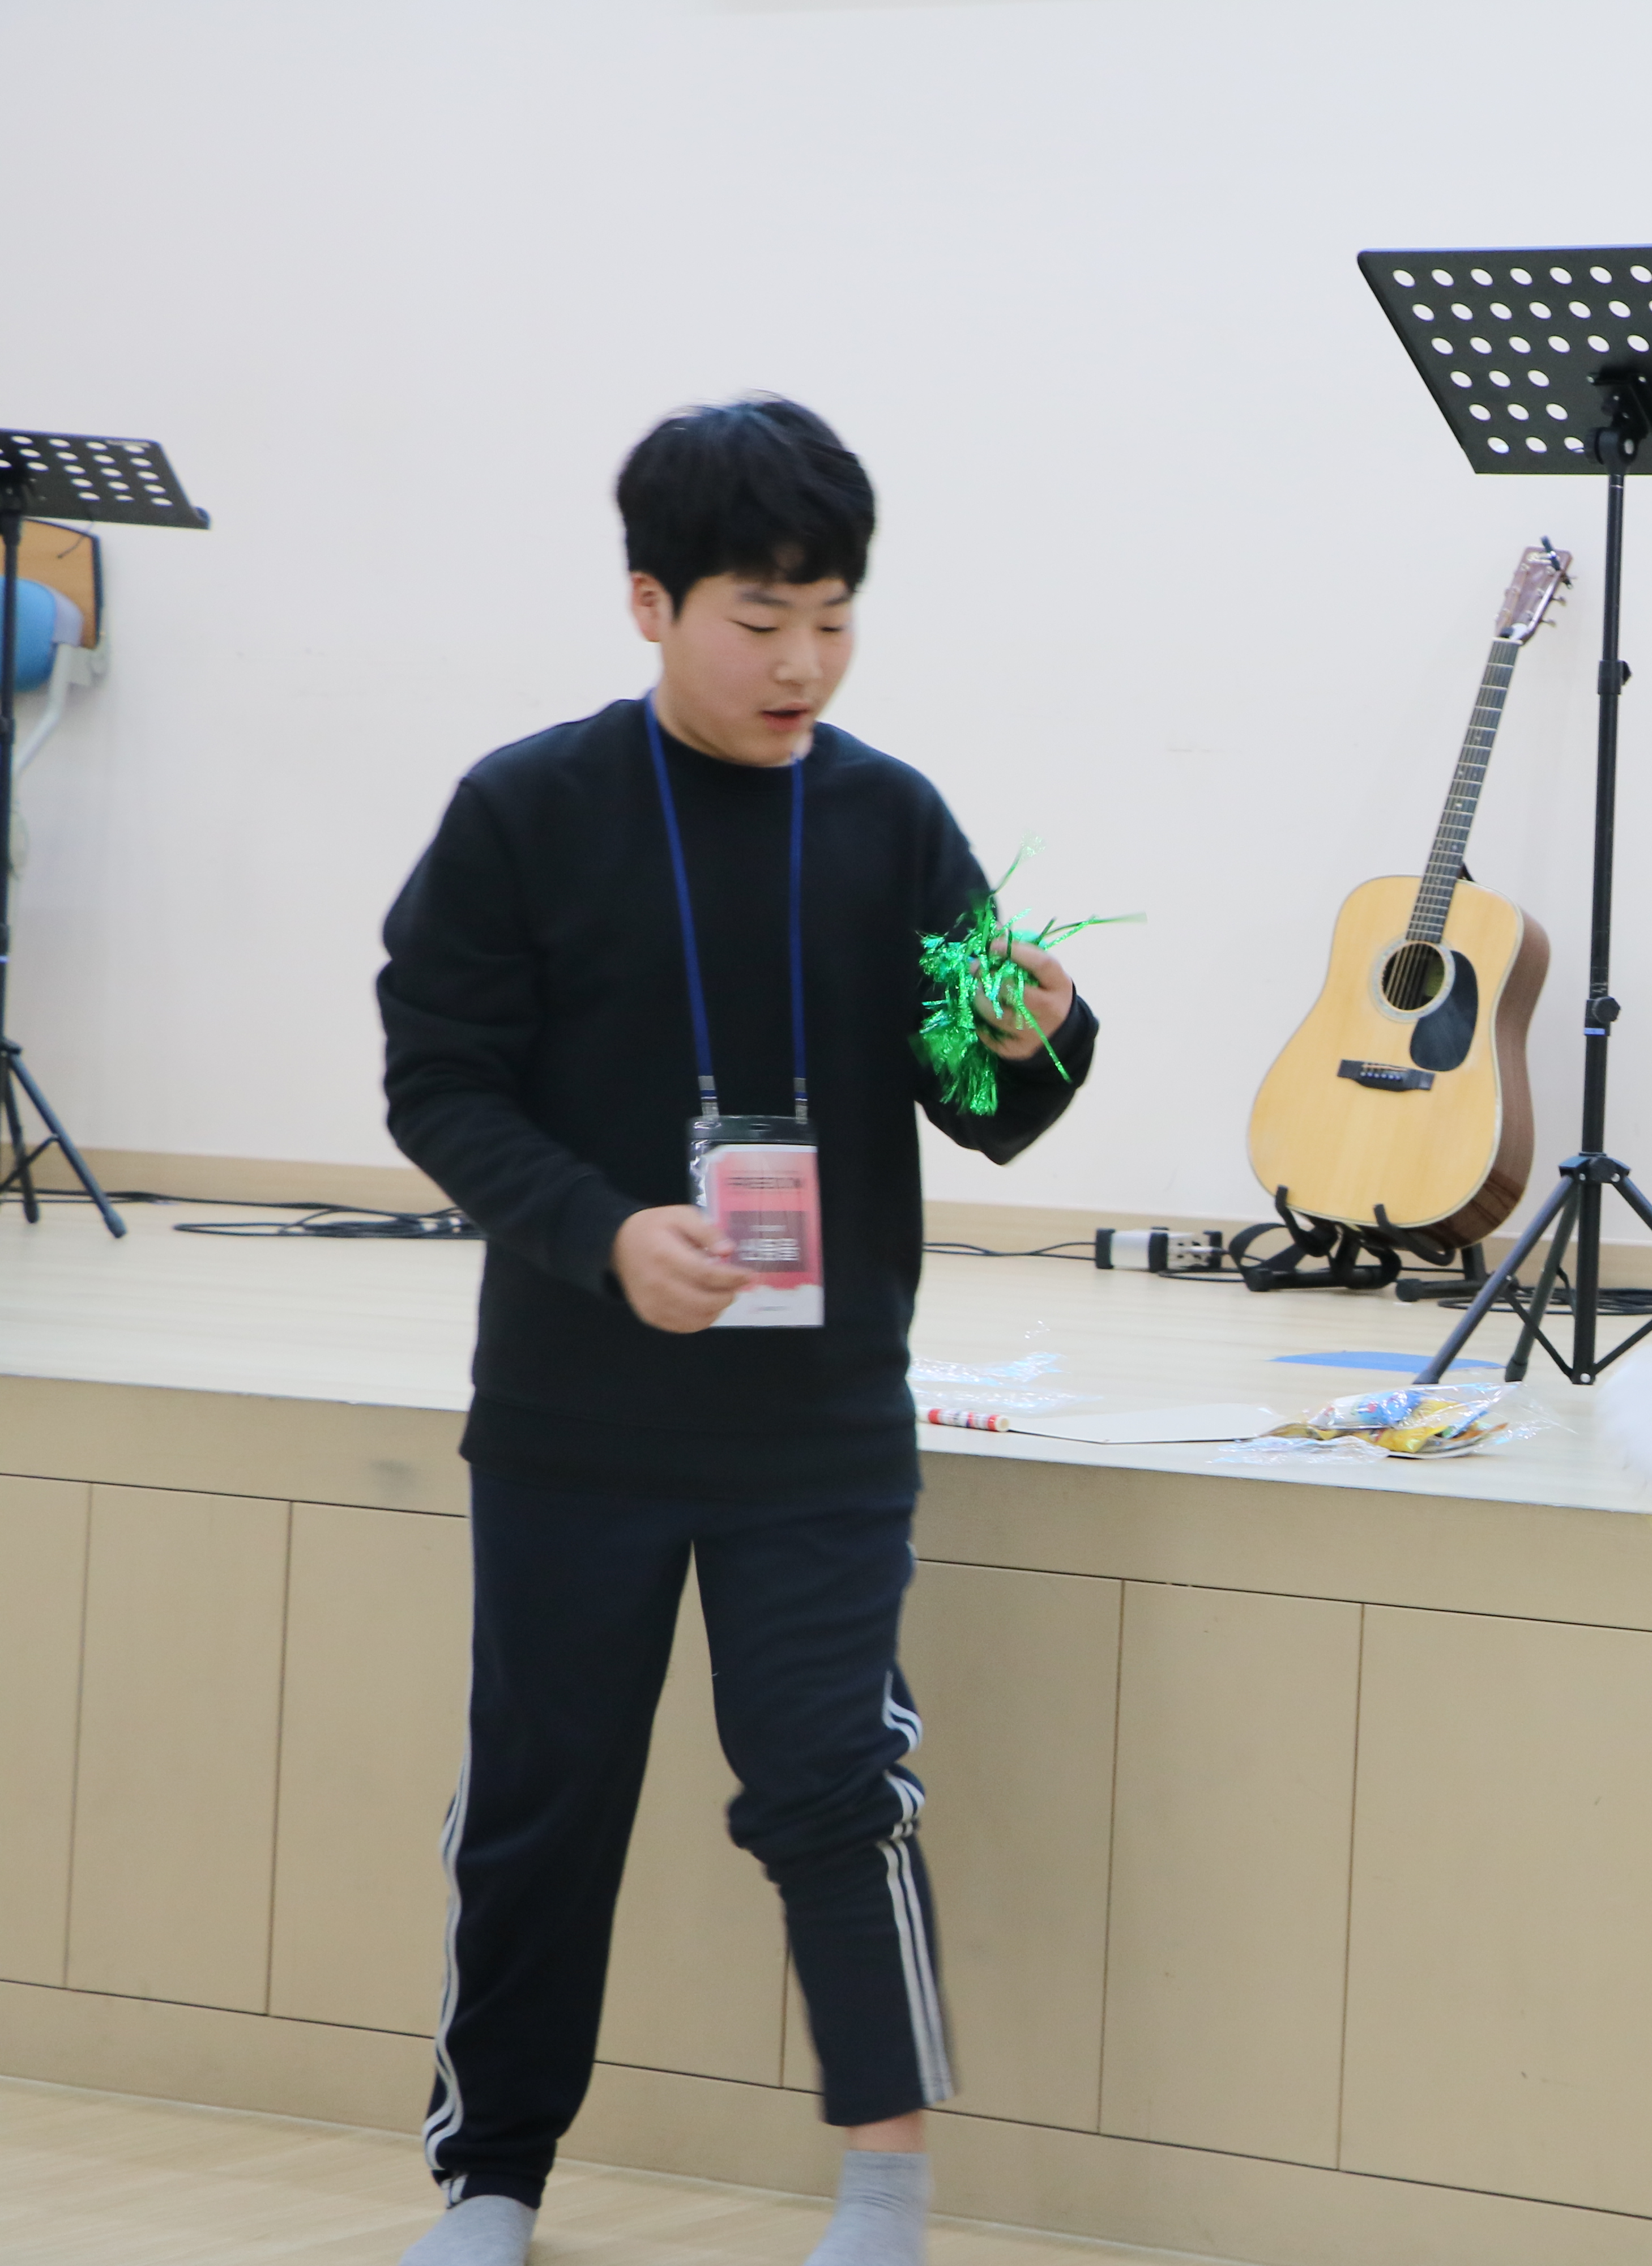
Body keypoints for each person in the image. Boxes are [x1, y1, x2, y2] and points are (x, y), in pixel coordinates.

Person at [375, 397, 1098, 2266]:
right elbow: (438, 1084)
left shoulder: (889, 820)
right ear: (651, 604)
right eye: (759, 621)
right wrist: (603, 1231)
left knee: (833, 1790)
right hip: (574, 1420)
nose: (803, 665)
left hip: (818, 1425)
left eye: (834, 621)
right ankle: (492, 2179)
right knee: (541, 1805)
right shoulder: (528, 810)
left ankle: (884, 2189)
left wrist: (1035, 1034)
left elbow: (992, 1106)